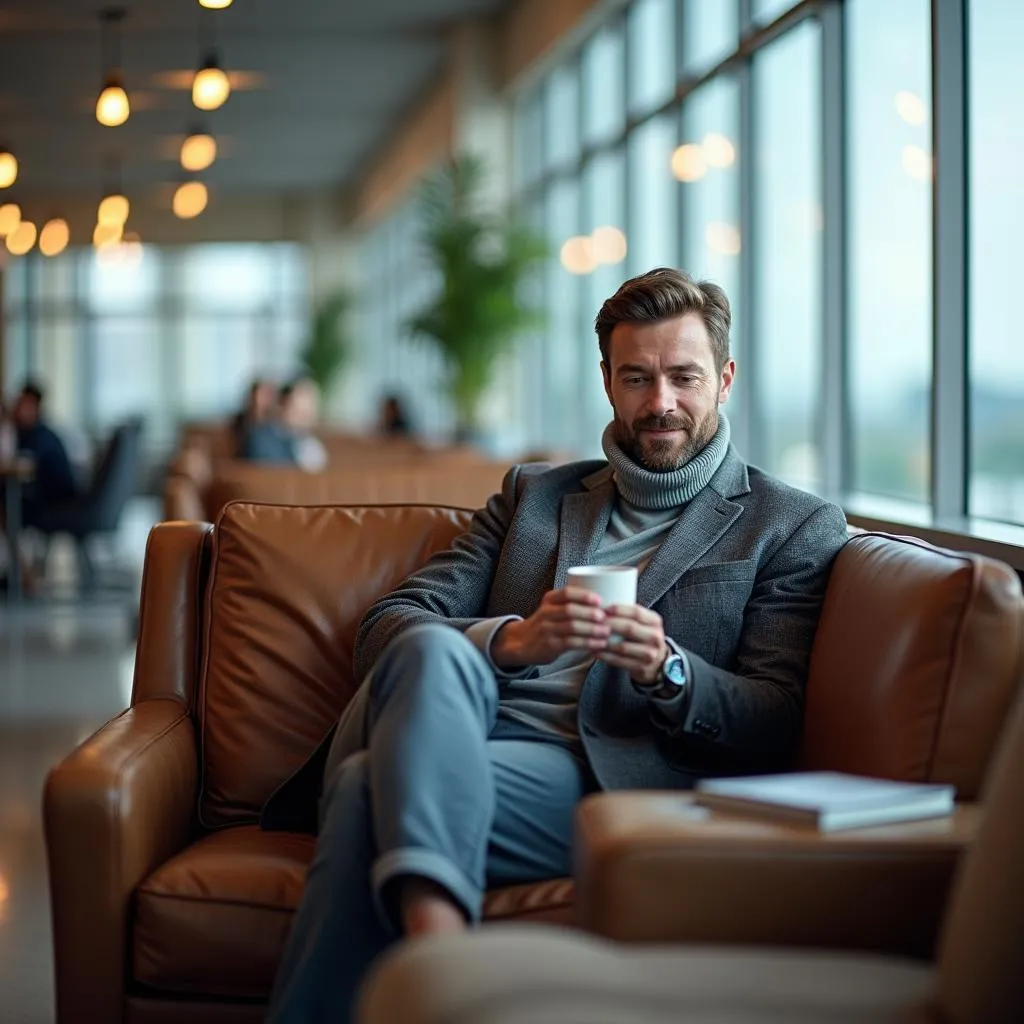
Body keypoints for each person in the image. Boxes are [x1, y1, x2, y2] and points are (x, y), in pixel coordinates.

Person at [265, 269, 850, 1023]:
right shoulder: (534, 497)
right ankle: (448, 969)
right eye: (637, 377)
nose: (661, 402)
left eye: (683, 377)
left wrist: (667, 669)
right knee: (436, 650)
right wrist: (513, 641)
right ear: (606, 380)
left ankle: (438, 957)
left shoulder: (788, 524)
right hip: (462, 721)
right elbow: (388, 629)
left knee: (364, 788)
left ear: (725, 378)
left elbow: (771, 717)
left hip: (601, 769)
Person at [10, 381, 78, 525]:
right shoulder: (30, 434)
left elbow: (24, 464)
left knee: (8, 500)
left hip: (56, 502)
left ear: (36, 407)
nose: (17, 409)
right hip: (55, 500)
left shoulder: (42, 437)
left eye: (24, 404)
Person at [241, 377, 327, 471]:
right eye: (298, 412)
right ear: (283, 405)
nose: (303, 420)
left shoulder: (311, 445)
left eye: (307, 413)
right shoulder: (261, 439)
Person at [230, 378, 276, 455]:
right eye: (261, 394)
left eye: (266, 395)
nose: (263, 399)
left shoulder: (273, 421)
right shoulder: (241, 420)